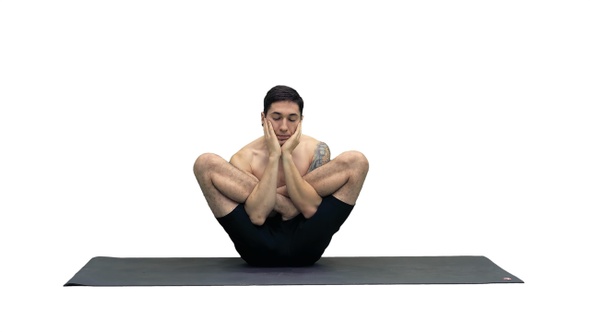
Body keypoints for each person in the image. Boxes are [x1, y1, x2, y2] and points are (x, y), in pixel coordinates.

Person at [193, 85, 369, 267]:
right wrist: (274, 156)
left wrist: (286, 157)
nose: (284, 127)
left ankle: (274, 194)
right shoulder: (244, 157)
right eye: (276, 118)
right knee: (205, 163)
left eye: (292, 119)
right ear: (263, 118)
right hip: (257, 245)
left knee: (356, 161)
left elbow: (309, 209)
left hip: (308, 243)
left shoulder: (316, 150)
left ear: (301, 120)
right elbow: (258, 215)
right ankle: (284, 200)